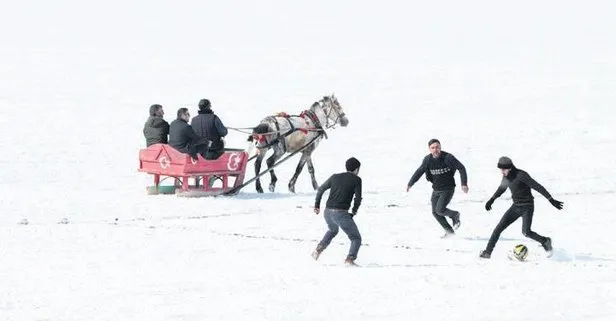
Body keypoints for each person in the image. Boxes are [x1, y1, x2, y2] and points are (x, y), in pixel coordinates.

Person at [479, 157, 564, 259]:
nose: (502, 172)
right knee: (498, 229)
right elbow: (501, 188)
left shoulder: (521, 175)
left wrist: (551, 200)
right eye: (500, 169)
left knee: (526, 232)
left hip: (527, 207)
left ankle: (545, 241)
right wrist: (492, 199)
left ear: (509, 168)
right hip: (515, 206)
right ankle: (487, 253)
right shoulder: (506, 177)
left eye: (503, 169)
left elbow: (537, 187)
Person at [406, 139, 468, 237]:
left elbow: (461, 168)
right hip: (436, 190)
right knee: (435, 212)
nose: (436, 150)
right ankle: (449, 232)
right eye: (433, 148)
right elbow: (420, 171)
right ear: (429, 149)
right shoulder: (427, 160)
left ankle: (455, 215)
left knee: (440, 210)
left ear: (440, 148)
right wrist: (410, 183)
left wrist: (464, 183)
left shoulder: (448, 157)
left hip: (448, 188)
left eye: (438, 147)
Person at [311, 157, 363, 266]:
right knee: (356, 238)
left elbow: (320, 189)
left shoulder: (335, 177)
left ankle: (317, 250)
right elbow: (358, 198)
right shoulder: (357, 180)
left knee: (332, 230)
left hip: (328, 212)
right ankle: (350, 259)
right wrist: (353, 212)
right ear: (357, 169)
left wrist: (317, 205)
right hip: (341, 213)